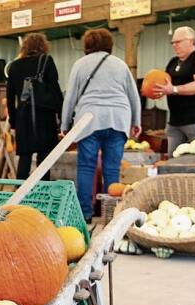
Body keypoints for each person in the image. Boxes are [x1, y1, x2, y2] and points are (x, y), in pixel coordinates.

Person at [61, 28, 141, 223]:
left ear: (87, 45)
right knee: (112, 169)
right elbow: (133, 96)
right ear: (109, 45)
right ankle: (111, 215)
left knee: (86, 167)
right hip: (118, 119)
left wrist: (64, 125)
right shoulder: (121, 65)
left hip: (89, 120)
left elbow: (70, 97)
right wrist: (136, 121)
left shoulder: (80, 64)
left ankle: (85, 214)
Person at [5, 32, 63, 180]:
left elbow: (10, 97)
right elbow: (55, 90)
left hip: (23, 117)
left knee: (24, 158)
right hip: (45, 116)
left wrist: (13, 122)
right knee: (44, 158)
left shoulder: (14, 66)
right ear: (43, 46)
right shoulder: (47, 61)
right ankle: (42, 195)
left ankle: (19, 195)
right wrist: (62, 116)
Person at [152, 26, 195, 154]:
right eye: (173, 42)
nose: (175, 45)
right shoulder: (173, 62)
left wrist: (173, 89)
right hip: (175, 121)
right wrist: (158, 89)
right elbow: (166, 84)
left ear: (191, 41)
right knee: (173, 159)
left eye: (178, 42)